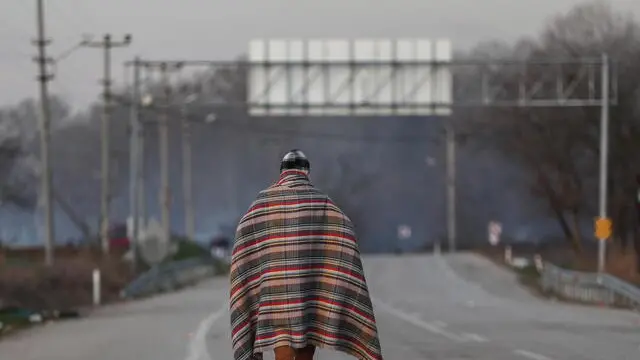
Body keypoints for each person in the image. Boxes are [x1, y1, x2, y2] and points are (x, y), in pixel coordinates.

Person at [229, 149, 383, 360]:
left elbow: (244, 241)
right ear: (306, 172)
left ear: (282, 172)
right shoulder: (322, 203)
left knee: (281, 347)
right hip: (309, 294)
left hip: (274, 297)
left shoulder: (260, 205)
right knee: (305, 350)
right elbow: (344, 229)